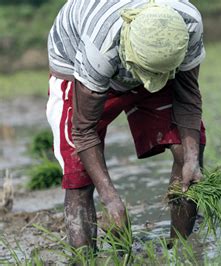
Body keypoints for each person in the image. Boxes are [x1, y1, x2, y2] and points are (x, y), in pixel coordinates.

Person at [46, 0, 206, 250]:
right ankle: (85, 258)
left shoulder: (188, 24)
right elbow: (83, 130)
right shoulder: (100, 48)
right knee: (79, 177)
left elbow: (187, 99)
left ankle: (181, 250)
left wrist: (192, 159)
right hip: (77, 67)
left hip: (155, 59)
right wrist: (111, 200)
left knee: (188, 153)